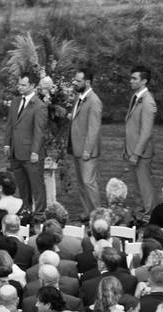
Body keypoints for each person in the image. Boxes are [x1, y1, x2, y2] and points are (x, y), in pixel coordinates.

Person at [4, 74, 47, 214]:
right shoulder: (15, 101)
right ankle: (26, 212)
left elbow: (39, 131)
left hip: (31, 153)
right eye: (19, 84)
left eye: (23, 85)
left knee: (37, 186)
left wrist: (35, 151)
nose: (19, 87)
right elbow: (10, 125)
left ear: (33, 86)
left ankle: (40, 213)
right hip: (16, 152)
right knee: (22, 185)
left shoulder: (39, 106)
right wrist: (7, 144)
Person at [69, 69, 103, 221]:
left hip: (86, 150)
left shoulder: (94, 101)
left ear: (88, 82)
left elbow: (94, 128)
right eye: (75, 80)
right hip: (77, 148)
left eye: (78, 81)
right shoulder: (80, 97)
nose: (75, 83)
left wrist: (87, 150)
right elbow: (78, 119)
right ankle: (87, 212)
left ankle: (98, 216)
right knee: (82, 183)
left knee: (89, 183)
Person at [125, 67, 157, 220]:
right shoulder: (136, 97)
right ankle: (140, 213)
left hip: (141, 153)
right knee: (137, 186)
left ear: (144, 81)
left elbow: (146, 132)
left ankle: (149, 215)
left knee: (145, 186)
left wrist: (136, 153)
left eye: (134, 78)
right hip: (131, 150)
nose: (131, 81)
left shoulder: (148, 101)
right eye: (131, 78)